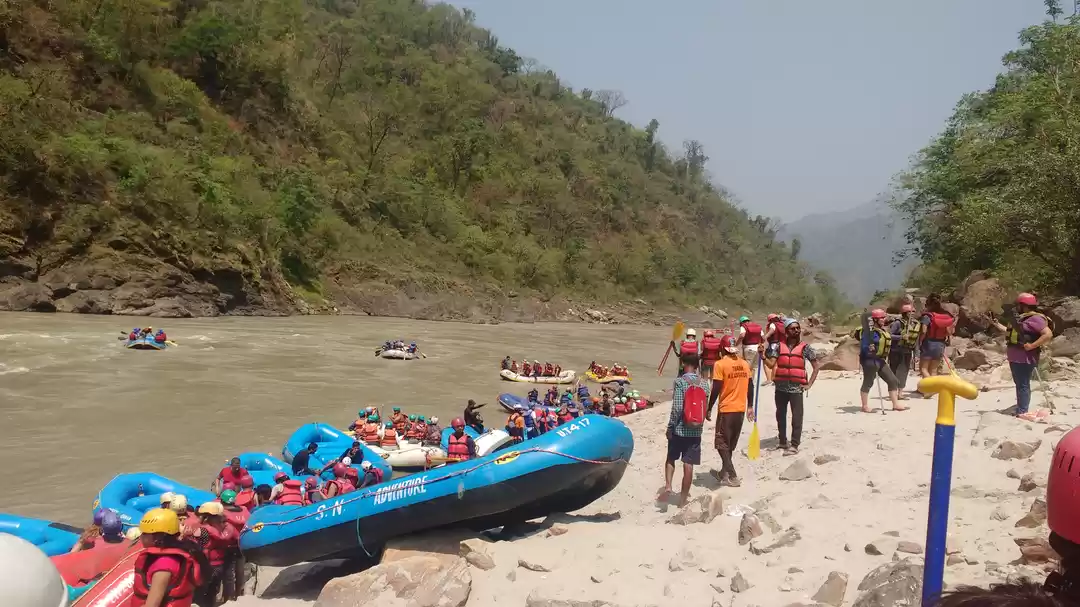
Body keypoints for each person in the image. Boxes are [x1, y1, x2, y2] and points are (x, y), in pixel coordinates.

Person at [988, 293, 1054, 421]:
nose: (1017, 307)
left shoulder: (1035, 319)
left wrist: (1033, 345)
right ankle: (1021, 407)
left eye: (1019, 304)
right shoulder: (1021, 319)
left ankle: (1022, 410)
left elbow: (1048, 334)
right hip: (1016, 357)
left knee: (1022, 384)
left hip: (1025, 357)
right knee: (1019, 383)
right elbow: (1010, 332)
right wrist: (995, 324)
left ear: (1024, 306)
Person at [764, 318, 822, 455]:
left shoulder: (805, 348)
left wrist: (809, 384)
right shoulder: (778, 346)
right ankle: (782, 441)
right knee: (780, 415)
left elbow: (816, 367)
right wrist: (762, 355)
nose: (796, 330)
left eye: (797, 328)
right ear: (786, 331)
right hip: (780, 387)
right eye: (793, 328)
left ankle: (794, 444)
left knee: (797, 416)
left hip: (797, 388)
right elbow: (771, 364)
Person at [129, 508, 207, 607]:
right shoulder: (177, 551)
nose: (141, 537)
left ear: (157, 537)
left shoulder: (164, 564)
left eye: (145, 533)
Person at [660, 353, 709, 507]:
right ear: (696, 366)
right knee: (688, 465)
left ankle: (668, 486)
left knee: (671, 457)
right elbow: (705, 408)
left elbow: (677, 408)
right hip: (695, 431)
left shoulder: (680, 382)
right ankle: (682, 501)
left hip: (679, 430)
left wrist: (670, 427)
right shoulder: (705, 384)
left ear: (683, 364)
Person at [705, 336, 751, 487]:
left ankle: (732, 475)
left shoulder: (720, 364)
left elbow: (716, 387)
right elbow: (750, 386)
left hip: (726, 409)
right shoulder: (744, 364)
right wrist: (750, 406)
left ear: (722, 349)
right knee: (730, 444)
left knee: (721, 444)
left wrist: (709, 407)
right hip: (740, 409)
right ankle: (723, 474)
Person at [854, 309, 906, 413]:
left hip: (880, 360)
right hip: (869, 360)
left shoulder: (882, 330)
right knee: (868, 382)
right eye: (881, 318)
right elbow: (864, 346)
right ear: (875, 320)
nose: (884, 319)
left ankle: (895, 404)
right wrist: (869, 348)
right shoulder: (868, 332)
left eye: (883, 317)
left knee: (893, 380)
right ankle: (865, 406)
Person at [193, 501, 236, 606]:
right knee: (212, 592)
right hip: (220, 564)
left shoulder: (202, 531)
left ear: (206, 516)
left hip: (206, 566)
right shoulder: (226, 528)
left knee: (200, 594)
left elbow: (196, 547)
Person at [919, 292, 954, 387]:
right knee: (934, 369)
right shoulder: (944, 316)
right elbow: (948, 332)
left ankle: (929, 387)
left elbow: (923, 331)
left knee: (923, 368)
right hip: (940, 344)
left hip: (928, 343)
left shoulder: (927, 316)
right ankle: (929, 388)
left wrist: (920, 341)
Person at [218, 490, 248, 600]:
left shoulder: (222, 513)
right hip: (242, 544)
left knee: (228, 575)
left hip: (228, 545)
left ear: (222, 500)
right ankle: (239, 596)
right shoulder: (244, 510)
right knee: (240, 572)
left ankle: (228, 598)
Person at [888, 304, 921, 397]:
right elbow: (889, 335)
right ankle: (893, 392)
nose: (913, 313)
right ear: (905, 313)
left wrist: (917, 354)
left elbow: (916, 341)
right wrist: (901, 337)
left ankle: (900, 393)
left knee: (904, 371)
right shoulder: (898, 323)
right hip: (896, 351)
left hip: (907, 351)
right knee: (894, 371)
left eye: (913, 311)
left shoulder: (915, 324)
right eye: (910, 312)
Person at [762, 314, 786, 383]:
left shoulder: (773, 324)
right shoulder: (782, 324)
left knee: (767, 362)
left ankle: (770, 379)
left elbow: (771, 331)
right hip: (782, 345)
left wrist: (765, 337)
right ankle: (775, 378)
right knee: (778, 363)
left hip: (774, 345)